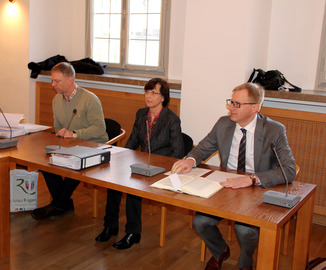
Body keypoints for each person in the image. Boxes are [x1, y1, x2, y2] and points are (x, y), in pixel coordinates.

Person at [171, 83, 296, 270]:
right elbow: (202, 149)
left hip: (256, 189)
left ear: (255, 108)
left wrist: (252, 179)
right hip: (226, 186)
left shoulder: (274, 130)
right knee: (200, 222)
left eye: (237, 104)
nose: (231, 108)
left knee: (245, 230)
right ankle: (220, 251)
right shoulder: (224, 123)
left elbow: (289, 170)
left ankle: (246, 263)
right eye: (231, 102)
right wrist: (190, 159)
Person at [95, 78, 185, 249]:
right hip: (141, 163)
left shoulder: (171, 119)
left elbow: (178, 152)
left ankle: (133, 232)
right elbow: (133, 140)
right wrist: (120, 157)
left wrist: (164, 169)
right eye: (146, 92)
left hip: (160, 167)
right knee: (114, 182)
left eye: (153, 92)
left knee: (133, 186)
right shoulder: (141, 113)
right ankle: (110, 226)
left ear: (163, 97)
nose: (148, 96)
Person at [31, 62, 108, 220]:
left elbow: (100, 130)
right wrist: (62, 138)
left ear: (70, 79)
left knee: (75, 165)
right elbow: (59, 128)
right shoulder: (56, 100)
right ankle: (62, 204)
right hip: (70, 145)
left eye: (57, 81)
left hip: (94, 146)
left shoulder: (89, 99)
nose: (53, 85)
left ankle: (58, 205)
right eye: (52, 81)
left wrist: (74, 134)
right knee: (45, 163)